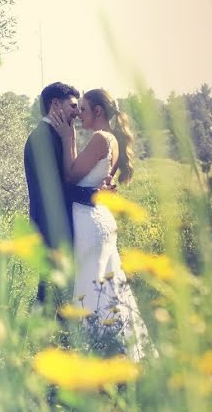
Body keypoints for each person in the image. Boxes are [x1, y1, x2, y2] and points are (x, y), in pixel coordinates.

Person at [47, 88, 155, 361]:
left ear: (97, 112)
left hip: (88, 222)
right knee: (107, 287)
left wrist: (67, 138)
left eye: (82, 109)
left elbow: (71, 177)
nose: (78, 115)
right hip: (101, 219)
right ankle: (118, 349)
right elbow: (97, 184)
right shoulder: (114, 140)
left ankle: (91, 354)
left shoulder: (99, 138)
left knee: (88, 287)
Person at [23, 82, 99, 305]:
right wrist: (96, 194)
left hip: (60, 224)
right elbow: (56, 188)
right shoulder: (42, 138)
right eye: (73, 106)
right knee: (51, 293)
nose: (77, 113)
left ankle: (57, 335)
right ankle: (45, 338)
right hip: (50, 227)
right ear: (55, 104)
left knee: (62, 289)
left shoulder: (58, 135)